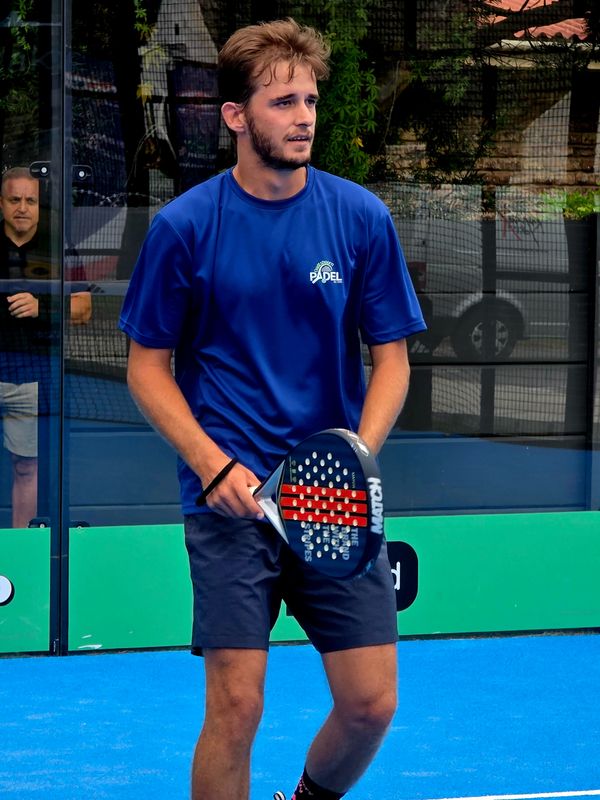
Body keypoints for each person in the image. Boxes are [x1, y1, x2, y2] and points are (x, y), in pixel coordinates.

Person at [119, 18, 426, 800]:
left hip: (334, 503)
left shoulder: (361, 218)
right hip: (231, 504)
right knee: (236, 707)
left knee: (370, 705)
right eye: (283, 102)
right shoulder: (184, 228)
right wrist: (212, 465)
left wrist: (354, 457)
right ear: (235, 115)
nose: (303, 117)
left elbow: (392, 360)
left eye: (310, 101)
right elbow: (147, 370)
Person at [0, 167, 91, 528]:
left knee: (26, 467)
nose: (23, 207)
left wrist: (43, 307)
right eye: (15, 199)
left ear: (40, 205)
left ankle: (23, 548)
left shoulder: (58, 248)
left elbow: (84, 309)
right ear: (1, 203)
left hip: (32, 379)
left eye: (31, 200)